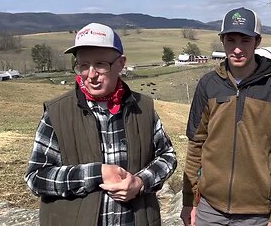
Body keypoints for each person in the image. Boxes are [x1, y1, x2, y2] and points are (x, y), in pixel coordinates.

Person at [25, 22, 177, 226]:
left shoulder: (143, 108)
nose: (91, 74)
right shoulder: (56, 113)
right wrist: (97, 173)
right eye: (83, 65)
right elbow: (37, 177)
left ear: (121, 64)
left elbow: (167, 156)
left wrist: (140, 182)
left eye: (100, 64)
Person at [180, 7, 271, 226]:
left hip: (257, 213)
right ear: (222, 41)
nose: (237, 49)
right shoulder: (208, 84)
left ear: (257, 41)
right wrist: (189, 201)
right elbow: (196, 146)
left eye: (245, 40)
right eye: (231, 40)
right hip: (209, 209)